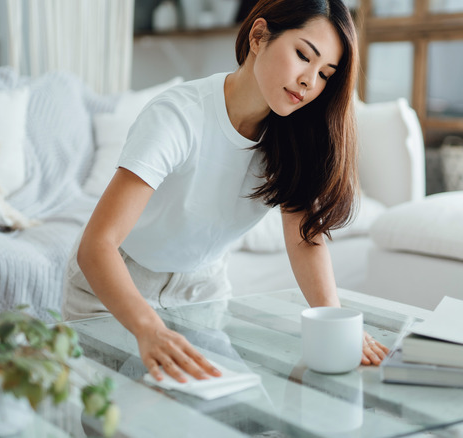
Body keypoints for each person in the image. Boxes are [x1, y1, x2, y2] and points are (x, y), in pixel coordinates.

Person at [62, 0, 389, 383]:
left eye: (325, 74)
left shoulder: (292, 135)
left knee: (235, 411)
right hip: (116, 289)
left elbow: (304, 239)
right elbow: (96, 245)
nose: (309, 81)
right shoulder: (178, 116)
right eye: (303, 55)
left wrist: (334, 323)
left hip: (201, 290)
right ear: (258, 36)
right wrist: (149, 329)